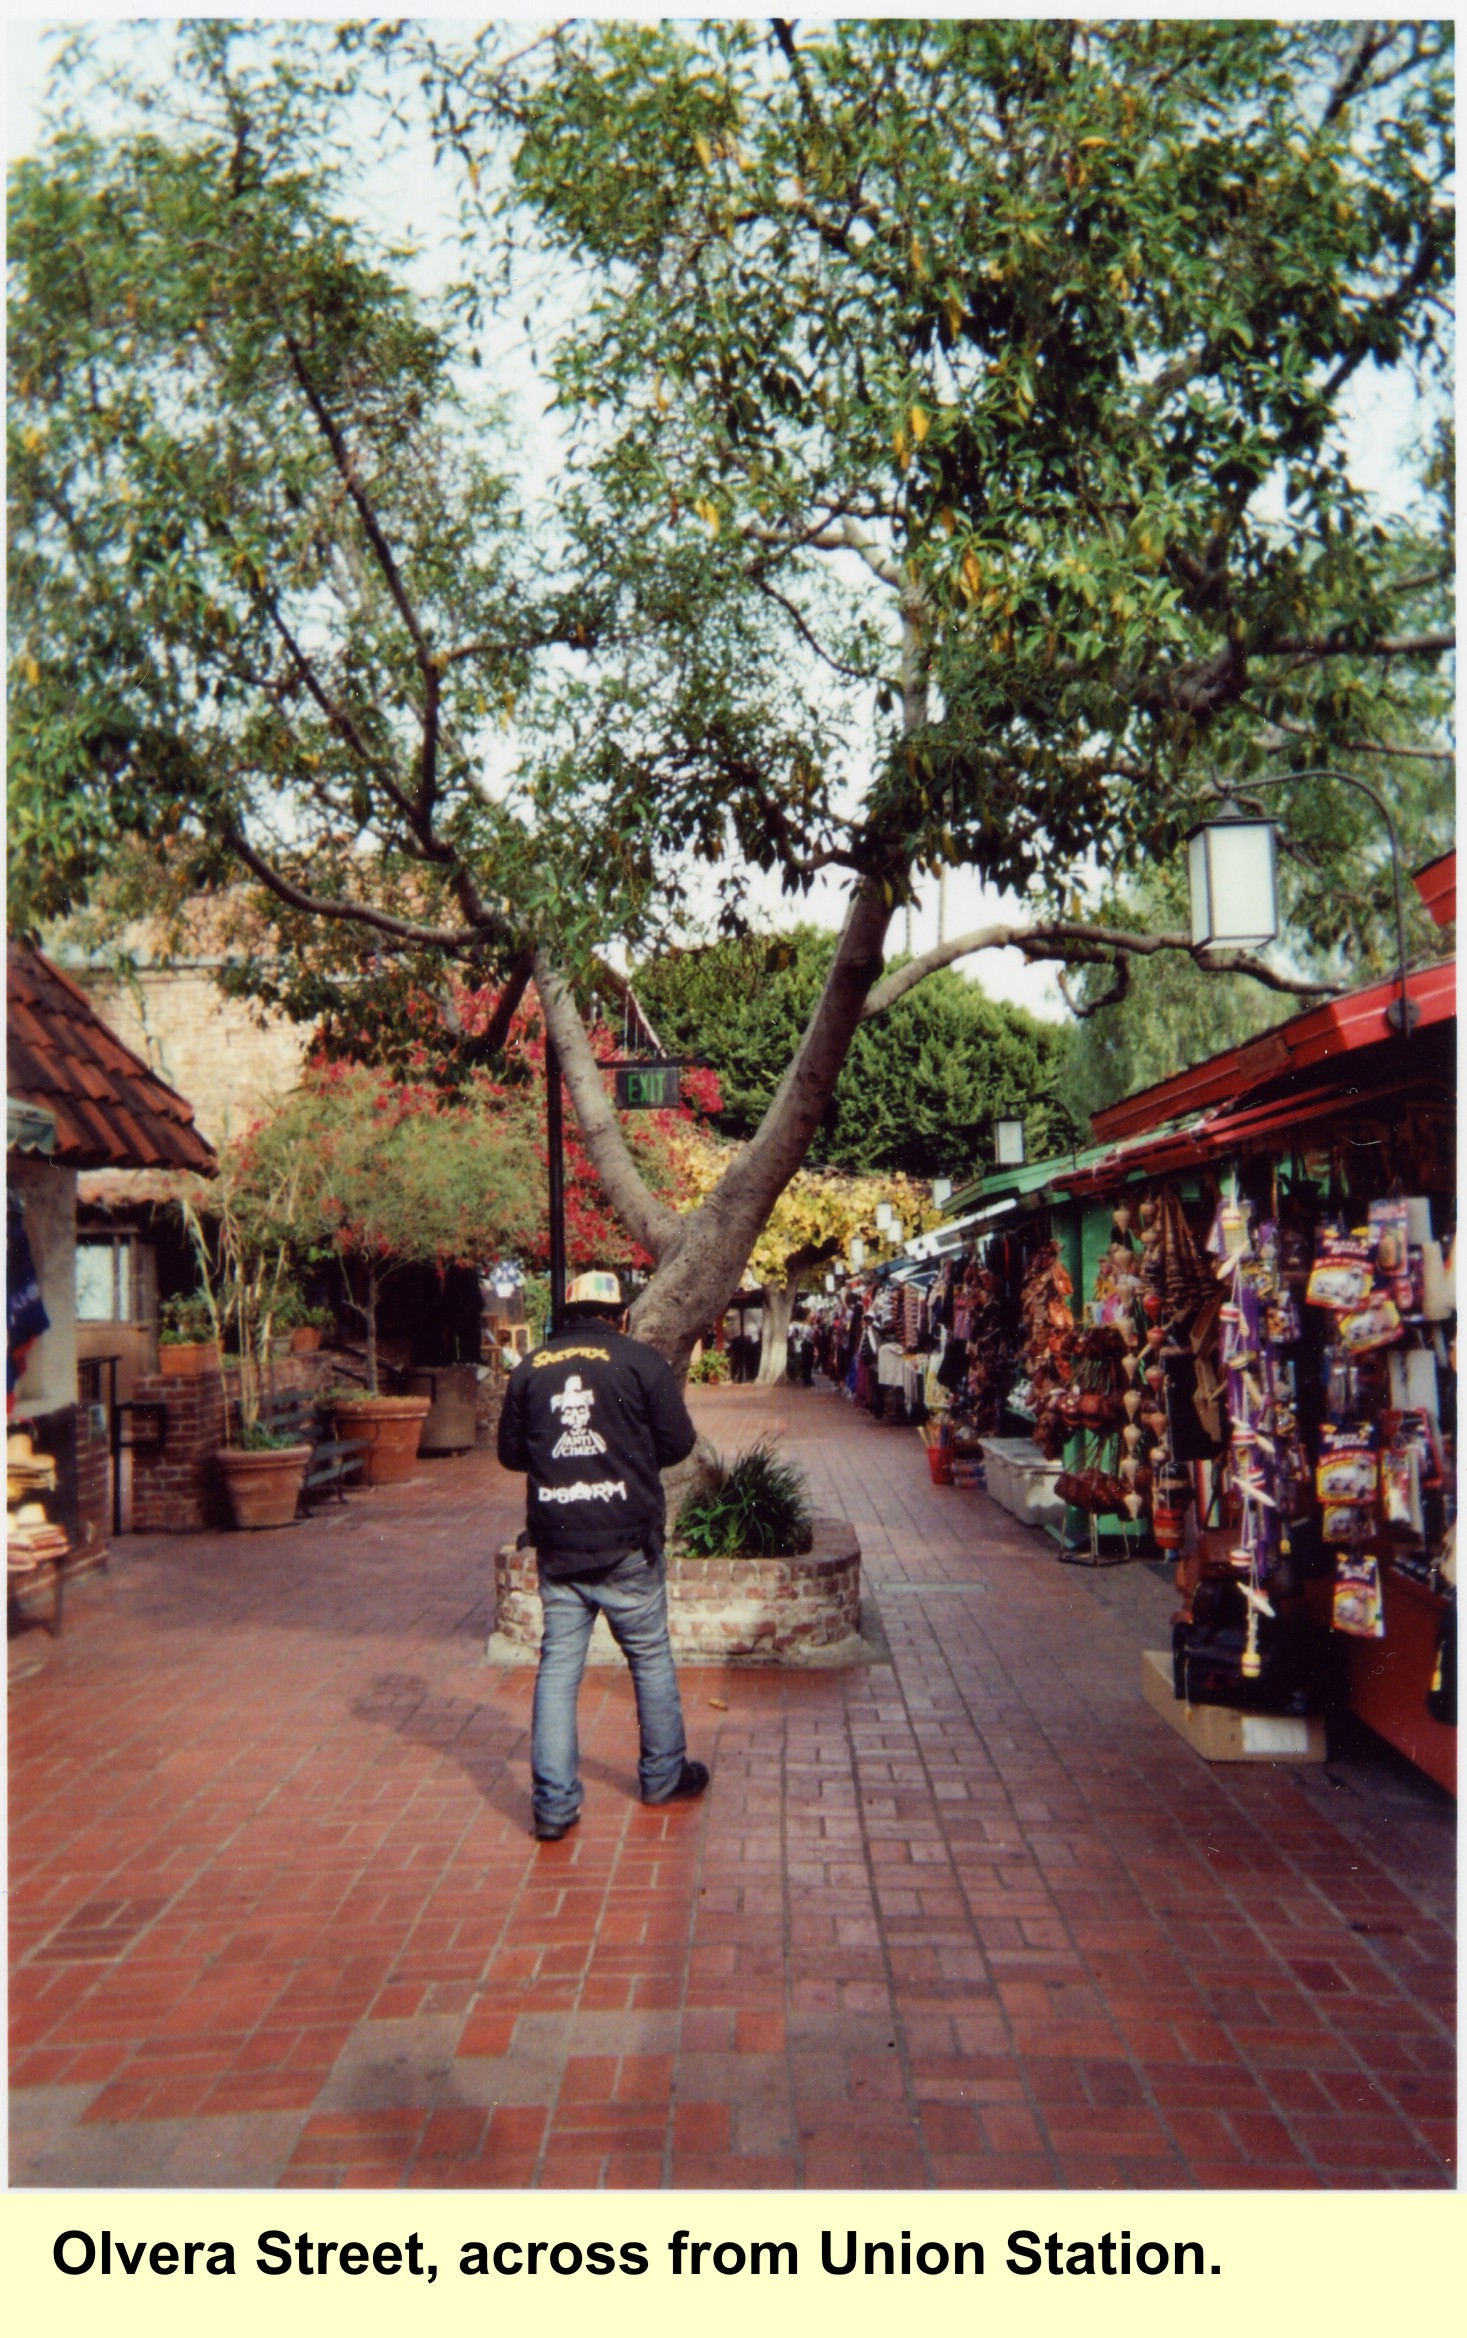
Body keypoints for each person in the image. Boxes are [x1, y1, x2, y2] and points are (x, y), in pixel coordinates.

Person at [497, 1269, 710, 1840]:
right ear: (621, 1316)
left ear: (566, 1317)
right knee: (650, 1658)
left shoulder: (530, 1368)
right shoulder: (641, 1362)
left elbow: (511, 1455)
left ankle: (553, 1806)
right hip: (628, 1545)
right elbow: (679, 1444)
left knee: (559, 1668)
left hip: (560, 1547)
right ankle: (664, 1776)